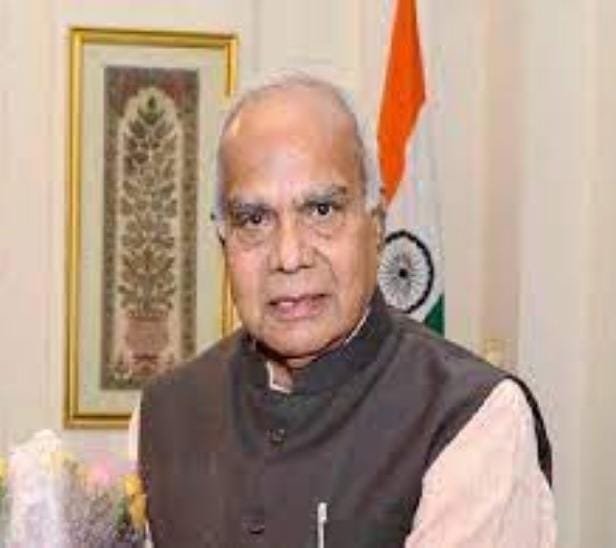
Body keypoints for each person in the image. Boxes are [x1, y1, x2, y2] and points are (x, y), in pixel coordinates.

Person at [133, 74, 556, 547]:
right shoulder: (163, 414)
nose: (289, 256)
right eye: (254, 219)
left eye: (321, 211)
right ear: (223, 240)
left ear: (376, 224)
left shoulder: (474, 419)